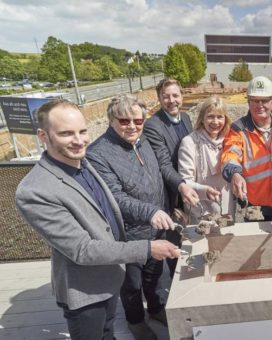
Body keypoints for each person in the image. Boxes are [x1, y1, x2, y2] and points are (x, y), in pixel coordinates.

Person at [15, 99, 180, 340]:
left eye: (82, 131)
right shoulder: (34, 190)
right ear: (43, 135)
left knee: (108, 331)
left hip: (110, 273)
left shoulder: (82, 164)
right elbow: (82, 250)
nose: (79, 140)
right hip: (86, 290)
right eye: (66, 133)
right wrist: (147, 247)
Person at [86, 95, 173, 339]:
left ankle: (156, 309)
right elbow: (114, 198)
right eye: (124, 120)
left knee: (154, 276)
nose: (132, 126)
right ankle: (135, 321)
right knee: (131, 284)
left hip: (156, 227)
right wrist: (150, 212)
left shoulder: (142, 141)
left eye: (138, 120)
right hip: (127, 234)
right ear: (111, 120)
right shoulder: (97, 153)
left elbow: (158, 177)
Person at [143, 78, 199, 276]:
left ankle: (192, 271)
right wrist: (182, 186)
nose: (171, 100)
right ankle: (178, 280)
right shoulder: (153, 125)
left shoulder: (185, 118)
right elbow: (164, 165)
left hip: (188, 186)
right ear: (159, 98)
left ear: (182, 97)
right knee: (174, 241)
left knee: (191, 235)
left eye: (175, 95)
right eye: (165, 97)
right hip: (171, 192)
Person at [221, 76, 272, 221]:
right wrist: (235, 174)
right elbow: (230, 155)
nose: (260, 105)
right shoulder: (238, 129)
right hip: (254, 203)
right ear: (248, 101)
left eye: (264, 100)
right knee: (254, 242)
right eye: (255, 100)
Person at [178, 95, 235, 223]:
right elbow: (185, 181)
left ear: (225, 119)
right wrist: (205, 191)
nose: (215, 122)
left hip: (226, 208)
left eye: (220, 117)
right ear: (202, 118)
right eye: (210, 116)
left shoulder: (230, 141)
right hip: (200, 209)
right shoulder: (190, 142)